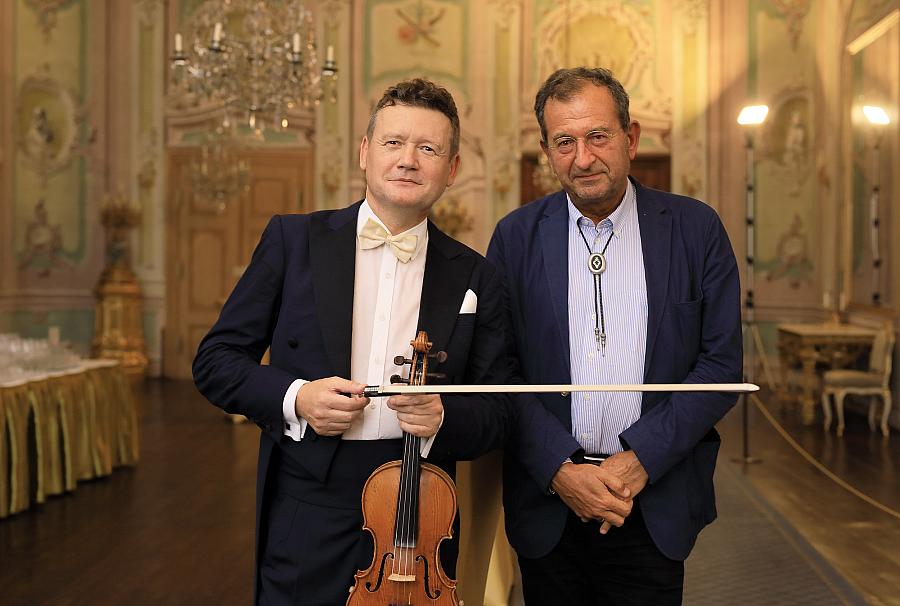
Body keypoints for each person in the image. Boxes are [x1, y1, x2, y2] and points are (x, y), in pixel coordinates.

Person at [193, 78, 512, 606]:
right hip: (309, 498)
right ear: (365, 153)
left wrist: (444, 419)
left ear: (451, 170)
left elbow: (501, 409)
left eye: (428, 148)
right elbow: (216, 362)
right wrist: (297, 397)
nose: (408, 160)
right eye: (393, 143)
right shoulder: (292, 241)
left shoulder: (479, 276)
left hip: (421, 511)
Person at [487, 67, 743, 604]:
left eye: (597, 136)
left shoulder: (696, 231)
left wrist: (639, 460)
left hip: (653, 499)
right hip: (550, 500)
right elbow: (499, 373)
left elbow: (720, 369)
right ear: (546, 149)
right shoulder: (514, 237)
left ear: (631, 137)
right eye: (564, 142)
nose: (582, 158)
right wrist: (561, 469)